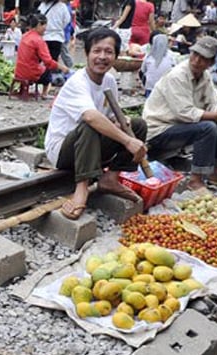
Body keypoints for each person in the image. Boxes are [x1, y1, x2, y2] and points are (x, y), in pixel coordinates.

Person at [44, 28, 148, 219]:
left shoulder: (109, 80)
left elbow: (110, 117)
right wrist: (127, 141)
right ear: (87, 54)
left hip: (88, 148)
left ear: (116, 56)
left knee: (138, 125)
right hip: (63, 152)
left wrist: (120, 122)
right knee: (90, 123)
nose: (102, 57)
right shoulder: (77, 82)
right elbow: (91, 117)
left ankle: (110, 178)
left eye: (108, 52)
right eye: (97, 51)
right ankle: (81, 188)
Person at [142, 36, 217, 193]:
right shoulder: (178, 75)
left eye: (203, 58)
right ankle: (195, 180)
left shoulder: (204, 76)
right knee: (208, 128)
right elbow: (185, 113)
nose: (196, 60)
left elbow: (213, 102)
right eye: (195, 55)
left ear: (211, 63)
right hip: (159, 130)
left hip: (179, 126)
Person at [14, 14, 69, 99]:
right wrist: (62, 67)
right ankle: (44, 93)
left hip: (19, 71)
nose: (45, 29)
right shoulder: (39, 40)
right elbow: (48, 62)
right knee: (48, 69)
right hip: (30, 73)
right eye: (44, 26)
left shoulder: (24, 36)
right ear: (39, 25)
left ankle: (25, 89)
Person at [140, 33, 176, 97]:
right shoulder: (171, 56)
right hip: (166, 88)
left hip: (150, 88)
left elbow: (142, 71)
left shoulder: (148, 56)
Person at [60, 0, 76, 68]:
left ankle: (71, 68)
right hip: (66, 33)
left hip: (63, 34)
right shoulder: (67, 6)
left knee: (64, 53)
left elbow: (67, 23)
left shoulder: (65, 8)